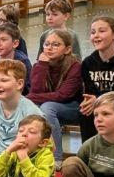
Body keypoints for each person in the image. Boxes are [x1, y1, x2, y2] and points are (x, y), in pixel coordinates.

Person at [74, 15, 114, 151]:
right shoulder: (88, 62)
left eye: (101, 31)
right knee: (84, 112)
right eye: (93, 32)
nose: (96, 36)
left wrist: (98, 100)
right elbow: (89, 91)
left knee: (112, 114)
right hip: (97, 103)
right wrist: (91, 102)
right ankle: (89, 152)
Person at [30, 28, 84, 160]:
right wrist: (42, 66)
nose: (49, 48)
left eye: (56, 45)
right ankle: (30, 152)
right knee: (30, 106)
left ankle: (56, 158)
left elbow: (63, 95)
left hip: (73, 108)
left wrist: (29, 97)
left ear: (67, 49)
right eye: (47, 44)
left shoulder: (75, 66)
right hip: (49, 108)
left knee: (47, 107)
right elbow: (36, 91)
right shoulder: (39, 65)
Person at [0, 59, 42, 157]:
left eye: (4, 80)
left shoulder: (32, 112)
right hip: (0, 155)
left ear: (19, 84)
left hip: (25, 157)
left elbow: (49, 145)